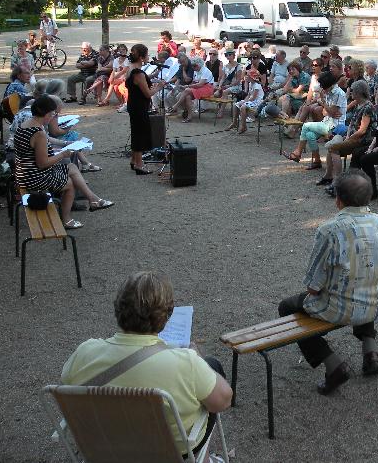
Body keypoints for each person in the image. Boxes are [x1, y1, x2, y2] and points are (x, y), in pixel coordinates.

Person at [60, 271, 232, 456]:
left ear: (118, 308)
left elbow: (67, 386)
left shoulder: (84, 353)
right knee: (211, 366)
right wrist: (198, 360)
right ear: (166, 316)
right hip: (171, 454)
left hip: (107, 451)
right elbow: (223, 401)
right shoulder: (185, 363)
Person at [277, 171, 378, 394]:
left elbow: (312, 286)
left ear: (338, 200)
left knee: (286, 307)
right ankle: (371, 353)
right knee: (361, 283)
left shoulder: (329, 230)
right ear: (369, 198)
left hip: (341, 308)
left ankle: (333, 365)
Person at [14, 95, 113, 229]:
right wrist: (63, 154)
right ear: (45, 113)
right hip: (34, 176)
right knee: (69, 184)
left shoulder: (25, 125)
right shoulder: (39, 133)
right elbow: (42, 163)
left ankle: (94, 200)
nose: (53, 117)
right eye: (53, 114)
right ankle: (66, 220)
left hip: (23, 172)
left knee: (71, 166)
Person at [319, 80, 376, 191]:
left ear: (359, 92)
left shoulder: (368, 107)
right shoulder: (359, 104)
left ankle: (337, 182)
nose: (351, 93)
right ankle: (328, 176)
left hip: (362, 140)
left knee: (333, 148)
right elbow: (351, 123)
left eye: (353, 91)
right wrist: (348, 133)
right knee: (333, 143)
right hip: (353, 136)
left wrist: (349, 139)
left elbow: (362, 130)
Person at [285, 72, 347, 169]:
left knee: (306, 126)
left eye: (323, 87)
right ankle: (317, 161)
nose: (322, 89)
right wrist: (327, 108)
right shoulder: (328, 92)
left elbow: (330, 111)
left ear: (329, 85)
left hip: (335, 126)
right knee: (310, 135)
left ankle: (297, 153)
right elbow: (325, 112)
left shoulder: (338, 94)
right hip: (327, 121)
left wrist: (323, 102)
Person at [126, 44, 166, 174]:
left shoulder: (131, 68)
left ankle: (134, 160)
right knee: (140, 134)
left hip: (133, 104)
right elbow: (148, 93)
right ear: (142, 57)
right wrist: (159, 87)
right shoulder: (138, 73)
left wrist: (153, 80)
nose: (149, 57)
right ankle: (139, 165)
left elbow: (140, 86)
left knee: (136, 132)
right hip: (139, 106)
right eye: (147, 54)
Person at [165, 57, 215, 122]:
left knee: (187, 90)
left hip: (208, 88)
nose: (193, 67)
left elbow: (200, 84)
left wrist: (187, 86)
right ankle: (189, 116)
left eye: (194, 66)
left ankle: (176, 106)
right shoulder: (196, 71)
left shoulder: (205, 71)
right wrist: (187, 86)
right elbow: (194, 82)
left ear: (199, 65)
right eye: (192, 66)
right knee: (187, 96)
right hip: (199, 88)